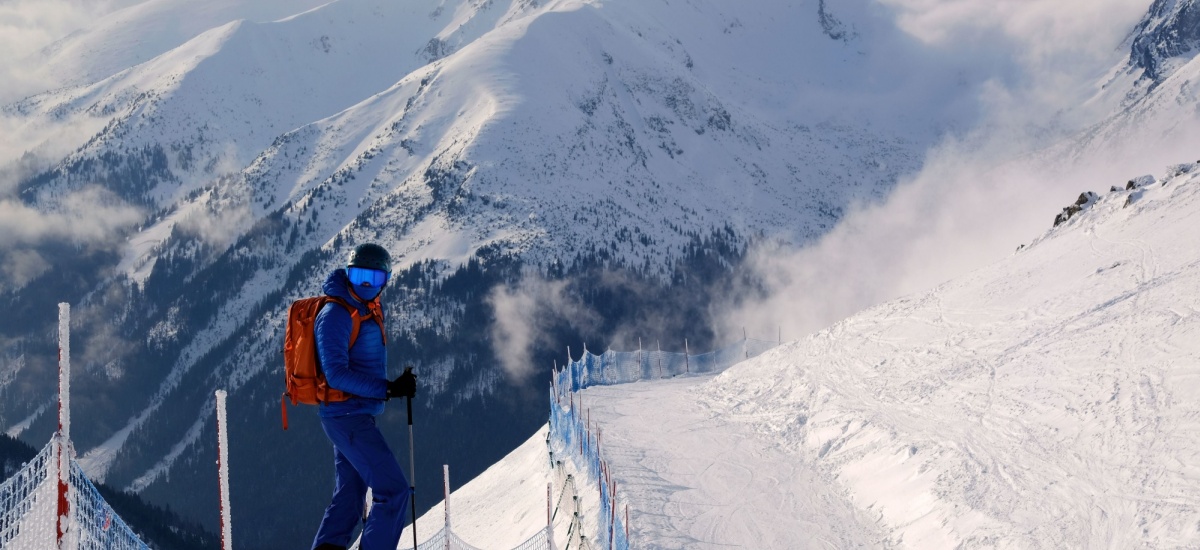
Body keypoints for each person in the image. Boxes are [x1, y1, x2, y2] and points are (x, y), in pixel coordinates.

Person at [311, 243, 418, 550]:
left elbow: (362, 359)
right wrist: (388, 388)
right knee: (394, 491)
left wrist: (395, 385)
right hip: (347, 417)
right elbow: (336, 374)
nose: (367, 285)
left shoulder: (364, 307)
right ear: (348, 274)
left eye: (374, 278)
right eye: (359, 276)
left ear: (386, 280)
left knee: (351, 492)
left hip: (352, 414)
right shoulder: (336, 314)